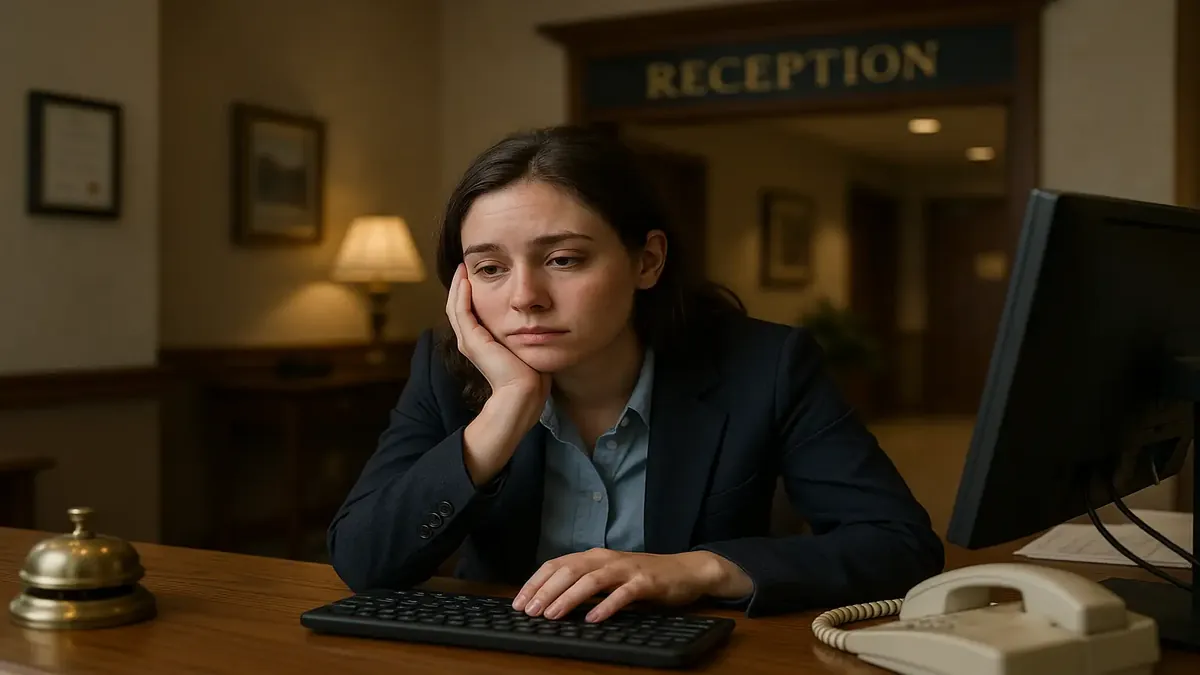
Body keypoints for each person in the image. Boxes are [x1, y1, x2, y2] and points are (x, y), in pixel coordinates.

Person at [326, 125, 944, 622]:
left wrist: (698, 568)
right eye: (489, 268)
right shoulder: (444, 368)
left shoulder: (765, 366)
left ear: (647, 260)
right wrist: (504, 411)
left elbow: (900, 546)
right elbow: (364, 561)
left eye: (563, 259)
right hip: (508, 652)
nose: (525, 297)